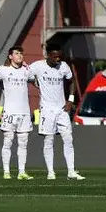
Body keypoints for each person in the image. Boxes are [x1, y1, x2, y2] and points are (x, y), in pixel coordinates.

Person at [30, 43, 84, 180]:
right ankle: (50, 172)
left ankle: (71, 172)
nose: (58, 59)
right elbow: (26, 75)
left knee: (68, 138)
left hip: (61, 109)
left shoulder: (64, 66)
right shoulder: (37, 66)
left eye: (59, 56)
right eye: (55, 57)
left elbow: (71, 81)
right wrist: (35, 83)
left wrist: (70, 100)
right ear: (48, 55)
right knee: (49, 140)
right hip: (47, 110)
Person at [0, 46, 34, 180]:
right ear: (10, 56)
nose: (20, 55)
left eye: (21, 53)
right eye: (17, 53)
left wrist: (28, 67)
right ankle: (6, 171)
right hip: (10, 112)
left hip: (24, 112)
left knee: (23, 142)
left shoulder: (26, 71)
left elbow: (36, 79)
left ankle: (21, 172)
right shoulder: (4, 70)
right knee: (8, 141)